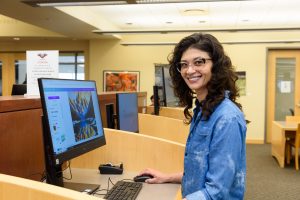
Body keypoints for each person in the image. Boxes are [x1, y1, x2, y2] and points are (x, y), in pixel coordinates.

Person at [139, 33, 247, 200]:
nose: (189, 70)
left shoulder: (227, 118)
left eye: (199, 62)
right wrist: (166, 177)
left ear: (216, 66)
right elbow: (200, 173)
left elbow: (216, 192)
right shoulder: (202, 109)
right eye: (184, 64)